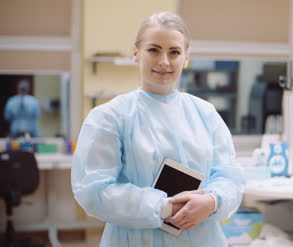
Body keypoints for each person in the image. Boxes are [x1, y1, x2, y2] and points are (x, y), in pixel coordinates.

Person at [71, 12, 244, 246]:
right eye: (154, 50)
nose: (164, 61)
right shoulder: (109, 116)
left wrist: (213, 201)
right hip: (135, 239)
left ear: (186, 58)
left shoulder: (205, 114)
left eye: (174, 52)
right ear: (136, 54)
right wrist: (163, 207)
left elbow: (230, 177)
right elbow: (93, 191)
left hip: (201, 238)